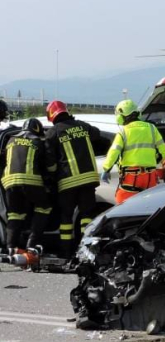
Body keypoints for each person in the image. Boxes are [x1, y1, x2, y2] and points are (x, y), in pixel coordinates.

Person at [44, 100, 101, 257]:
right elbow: (97, 134)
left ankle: (66, 252)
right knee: (86, 215)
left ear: (51, 115)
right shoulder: (83, 126)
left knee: (66, 218)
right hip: (88, 180)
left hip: (67, 182)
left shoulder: (53, 133)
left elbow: (50, 163)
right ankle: (85, 251)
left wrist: (51, 177)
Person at [1, 118, 54, 255]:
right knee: (44, 207)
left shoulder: (10, 140)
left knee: (15, 214)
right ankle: (32, 243)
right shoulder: (38, 141)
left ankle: (11, 247)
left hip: (9, 181)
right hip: (31, 180)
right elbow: (50, 167)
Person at [101, 100, 165, 204]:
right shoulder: (152, 128)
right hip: (150, 177)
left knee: (124, 205)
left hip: (131, 178)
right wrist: (154, 161)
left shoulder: (123, 132)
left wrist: (106, 169)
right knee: (148, 205)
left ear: (121, 115)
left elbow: (114, 153)